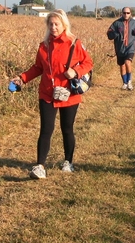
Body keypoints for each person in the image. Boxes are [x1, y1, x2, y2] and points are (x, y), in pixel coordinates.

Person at [11, 9, 93, 178]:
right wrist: (22, 78)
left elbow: (88, 63)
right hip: (47, 93)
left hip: (69, 94)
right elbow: (37, 68)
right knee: (46, 129)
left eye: (57, 24)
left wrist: (76, 71)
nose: (54, 27)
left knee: (67, 129)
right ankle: (40, 166)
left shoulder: (74, 43)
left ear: (64, 25)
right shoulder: (43, 46)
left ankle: (68, 162)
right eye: (51, 24)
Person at [107, 7, 135, 90]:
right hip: (120, 48)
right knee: (122, 65)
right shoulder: (116, 23)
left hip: (130, 47)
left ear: (130, 13)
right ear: (122, 13)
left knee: (127, 62)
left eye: (128, 13)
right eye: (124, 13)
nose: (126, 14)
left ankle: (129, 82)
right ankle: (125, 83)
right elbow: (109, 34)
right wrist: (116, 33)